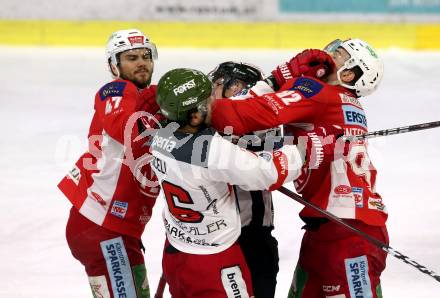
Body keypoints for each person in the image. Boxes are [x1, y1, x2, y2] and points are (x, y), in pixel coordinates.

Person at [209, 38, 388, 298]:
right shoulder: (346, 104)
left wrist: (277, 79)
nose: (325, 55)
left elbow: (236, 115)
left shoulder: (319, 92)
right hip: (330, 227)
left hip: (349, 234)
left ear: (348, 73)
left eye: (336, 54)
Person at [149, 68, 342, 298]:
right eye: (209, 99)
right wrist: (312, 149)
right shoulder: (211, 150)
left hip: (177, 252)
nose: (216, 102)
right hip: (216, 261)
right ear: (195, 114)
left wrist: (274, 78)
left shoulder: (158, 135)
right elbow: (267, 172)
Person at [58, 29, 161, 298]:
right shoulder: (115, 89)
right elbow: (123, 128)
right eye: (131, 57)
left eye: (145, 56)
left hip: (114, 227)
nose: (141, 62)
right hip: (102, 225)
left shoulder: (150, 98)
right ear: (114, 65)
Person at [209, 61, 281, 298]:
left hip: (249, 240)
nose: (213, 89)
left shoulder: (255, 121)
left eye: (219, 83)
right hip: (218, 236)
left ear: (237, 88)